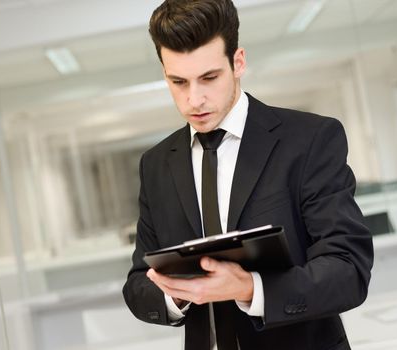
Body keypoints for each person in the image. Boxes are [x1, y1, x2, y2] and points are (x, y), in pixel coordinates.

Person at [122, 0, 374, 349]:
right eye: (178, 81)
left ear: (238, 62)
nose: (194, 99)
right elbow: (138, 283)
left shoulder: (310, 140)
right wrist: (177, 295)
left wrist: (249, 288)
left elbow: (349, 270)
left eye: (209, 78)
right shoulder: (156, 164)